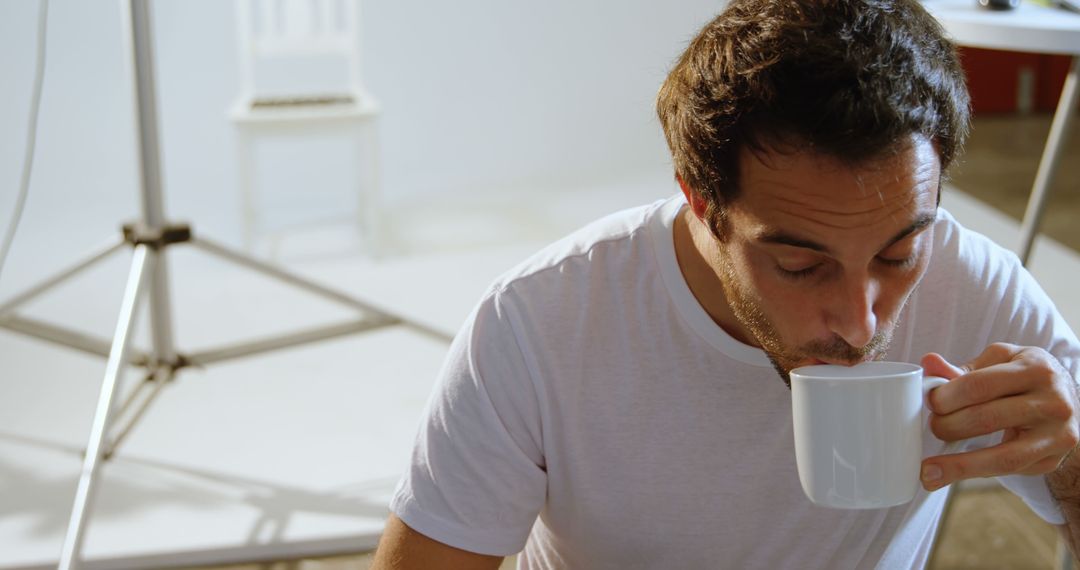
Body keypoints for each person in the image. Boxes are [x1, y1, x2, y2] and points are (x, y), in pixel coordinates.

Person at [371, 1, 1080, 568]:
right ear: (700, 202)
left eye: (898, 255)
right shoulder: (540, 323)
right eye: (801, 266)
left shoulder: (977, 286)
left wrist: (1072, 457)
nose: (862, 324)